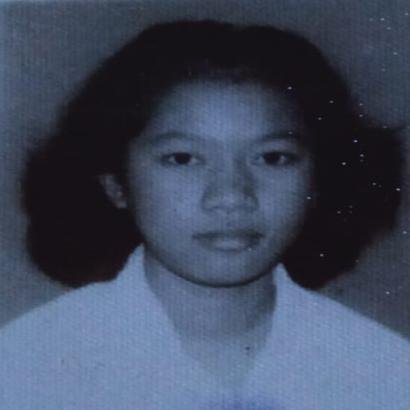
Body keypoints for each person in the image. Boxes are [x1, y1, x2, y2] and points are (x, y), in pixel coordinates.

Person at [0, 20, 409, 409]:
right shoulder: (26, 365)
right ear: (116, 183)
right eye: (183, 158)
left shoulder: (383, 370)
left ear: (318, 181)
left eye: (273, 157)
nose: (231, 196)